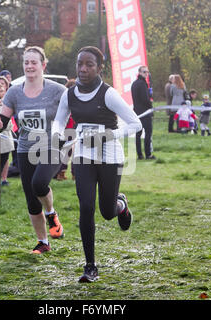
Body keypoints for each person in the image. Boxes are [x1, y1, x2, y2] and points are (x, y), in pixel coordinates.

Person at [52, 46, 142, 283]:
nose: (83, 69)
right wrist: (58, 135)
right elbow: (59, 121)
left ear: (100, 68)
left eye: (89, 64)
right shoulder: (69, 93)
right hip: (83, 157)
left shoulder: (108, 94)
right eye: (80, 63)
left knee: (107, 212)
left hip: (110, 155)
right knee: (86, 207)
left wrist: (106, 136)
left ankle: (120, 204)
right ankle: (90, 266)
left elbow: (135, 124)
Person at [0, 46, 66, 254]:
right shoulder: (15, 91)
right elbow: (4, 118)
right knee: (31, 199)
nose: (29, 66)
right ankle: (43, 242)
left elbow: (74, 108)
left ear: (43, 65)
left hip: (51, 145)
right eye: (26, 62)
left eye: (34, 62)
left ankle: (51, 213)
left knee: (39, 183)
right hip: (25, 149)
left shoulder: (58, 90)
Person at [131, 65, 155, 160]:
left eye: (147, 72)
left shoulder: (134, 83)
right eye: (144, 72)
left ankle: (140, 155)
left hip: (136, 112)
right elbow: (145, 99)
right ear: (140, 73)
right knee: (148, 132)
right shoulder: (142, 84)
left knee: (138, 134)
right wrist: (150, 104)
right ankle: (148, 154)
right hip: (144, 112)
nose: (146, 74)